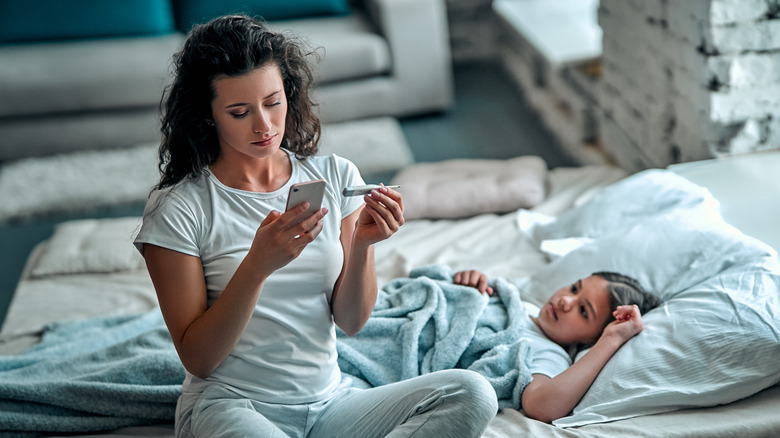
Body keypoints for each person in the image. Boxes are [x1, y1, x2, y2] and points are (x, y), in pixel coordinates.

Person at [133, 14, 497, 438]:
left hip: (330, 403)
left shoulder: (335, 177)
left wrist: (362, 246)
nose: (264, 126)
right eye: (239, 112)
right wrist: (257, 266)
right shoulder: (181, 209)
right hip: (234, 406)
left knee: (472, 392)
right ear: (207, 114)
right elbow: (198, 358)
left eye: (272, 102)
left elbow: (351, 321)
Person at [453, 269, 661, 423]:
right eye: (574, 288)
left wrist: (611, 339)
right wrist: (470, 282)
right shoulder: (521, 306)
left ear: (591, 339)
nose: (565, 301)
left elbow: (541, 406)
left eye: (583, 311)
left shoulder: (551, 354)